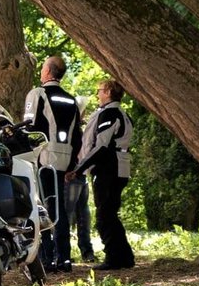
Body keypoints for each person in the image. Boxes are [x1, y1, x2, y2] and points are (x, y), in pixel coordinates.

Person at [66, 80, 135, 270]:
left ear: (108, 92)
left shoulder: (110, 113)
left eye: (99, 91)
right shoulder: (122, 114)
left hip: (109, 169)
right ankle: (125, 256)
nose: (97, 94)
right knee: (110, 213)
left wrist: (79, 169)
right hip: (119, 167)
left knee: (104, 216)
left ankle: (113, 258)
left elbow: (101, 146)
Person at [24, 55, 82, 273]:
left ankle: (47, 258)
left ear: (48, 72)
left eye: (42, 68)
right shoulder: (70, 99)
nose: (41, 71)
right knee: (59, 209)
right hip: (64, 158)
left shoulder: (37, 94)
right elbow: (77, 135)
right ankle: (64, 258)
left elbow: (29, 127)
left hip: (43, 158)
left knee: (41, 207)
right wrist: (72, 163)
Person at [64, 96, 95, 263]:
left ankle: (78, 251)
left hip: (76, 174)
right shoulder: (75, 130)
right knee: (78, 213)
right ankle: (83, 251)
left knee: (77, 214)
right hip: (77, 173)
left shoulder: (75, 129)